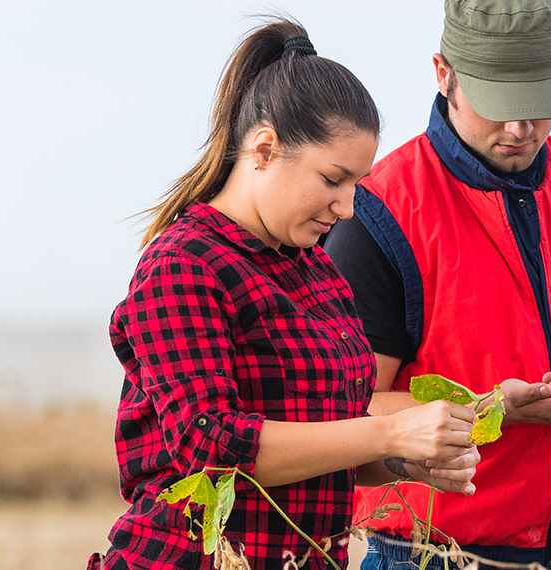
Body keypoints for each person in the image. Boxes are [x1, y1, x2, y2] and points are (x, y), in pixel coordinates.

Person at [322, 0, 551, 568]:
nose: (521, 129)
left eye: (541, 105)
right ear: (443, 72)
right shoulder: (375, 213)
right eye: (500, 104)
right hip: (431, 557)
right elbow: (342, 416)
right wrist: (489, 412)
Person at [95, 19, 481, 570]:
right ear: (264, 148)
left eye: (358, 184)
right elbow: (213, 447)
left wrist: (400, 460)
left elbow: (331, 442)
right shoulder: (183, 264)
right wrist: (391, 430)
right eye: (332, 179)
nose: (347, 207)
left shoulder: (320, 273)